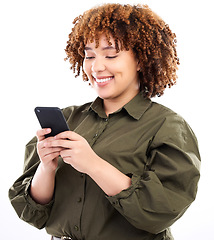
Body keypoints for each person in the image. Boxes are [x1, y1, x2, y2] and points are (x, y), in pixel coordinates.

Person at [9, 3, 201, 240]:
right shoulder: (69, 118)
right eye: (89, 55)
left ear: (141, 59)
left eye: (111, 55)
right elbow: (33, 213)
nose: (96, 67)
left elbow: (161, 212)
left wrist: (93, 164)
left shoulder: (167, 126)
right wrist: (47, 167)